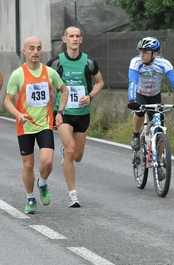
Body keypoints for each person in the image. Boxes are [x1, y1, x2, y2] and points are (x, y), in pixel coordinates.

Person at [4, 36, 68, 214]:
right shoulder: (18, 74)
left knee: (47, 162)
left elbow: (64, 90)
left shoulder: (49, 72)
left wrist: (60, 112)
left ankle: (43, 183)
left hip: (45, 124)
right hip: (25, 125)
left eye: (38, 48)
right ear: (24, 51)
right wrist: (18, 114)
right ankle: (30, 198)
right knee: (29, 166)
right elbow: (7, 101)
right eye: (31, 48)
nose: (35, 52)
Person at [47, 26, 104, 207]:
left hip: (82, 113)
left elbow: (100, 82)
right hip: (63, 113)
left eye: (77, 36)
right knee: (71, 150)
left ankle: (68, 154)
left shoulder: (89, 62)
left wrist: (91, 96)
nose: (74, 39)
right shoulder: (56, 63)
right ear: (64, 40)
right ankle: (73, 194)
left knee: (77, 156)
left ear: (81, 40)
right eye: (71, 36)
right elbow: (46, 83)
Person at [127, 37, 174, 151]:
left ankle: (161, 164)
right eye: (140, 51)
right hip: (140, 94)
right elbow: (133, 81)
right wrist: (132, 100)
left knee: (160, 131)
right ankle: (136, 135)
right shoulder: (135, 62)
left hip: (155, 96)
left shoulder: (164, 63)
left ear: (155, 53)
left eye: (145, 52)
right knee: (139, 112)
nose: (142, 55)